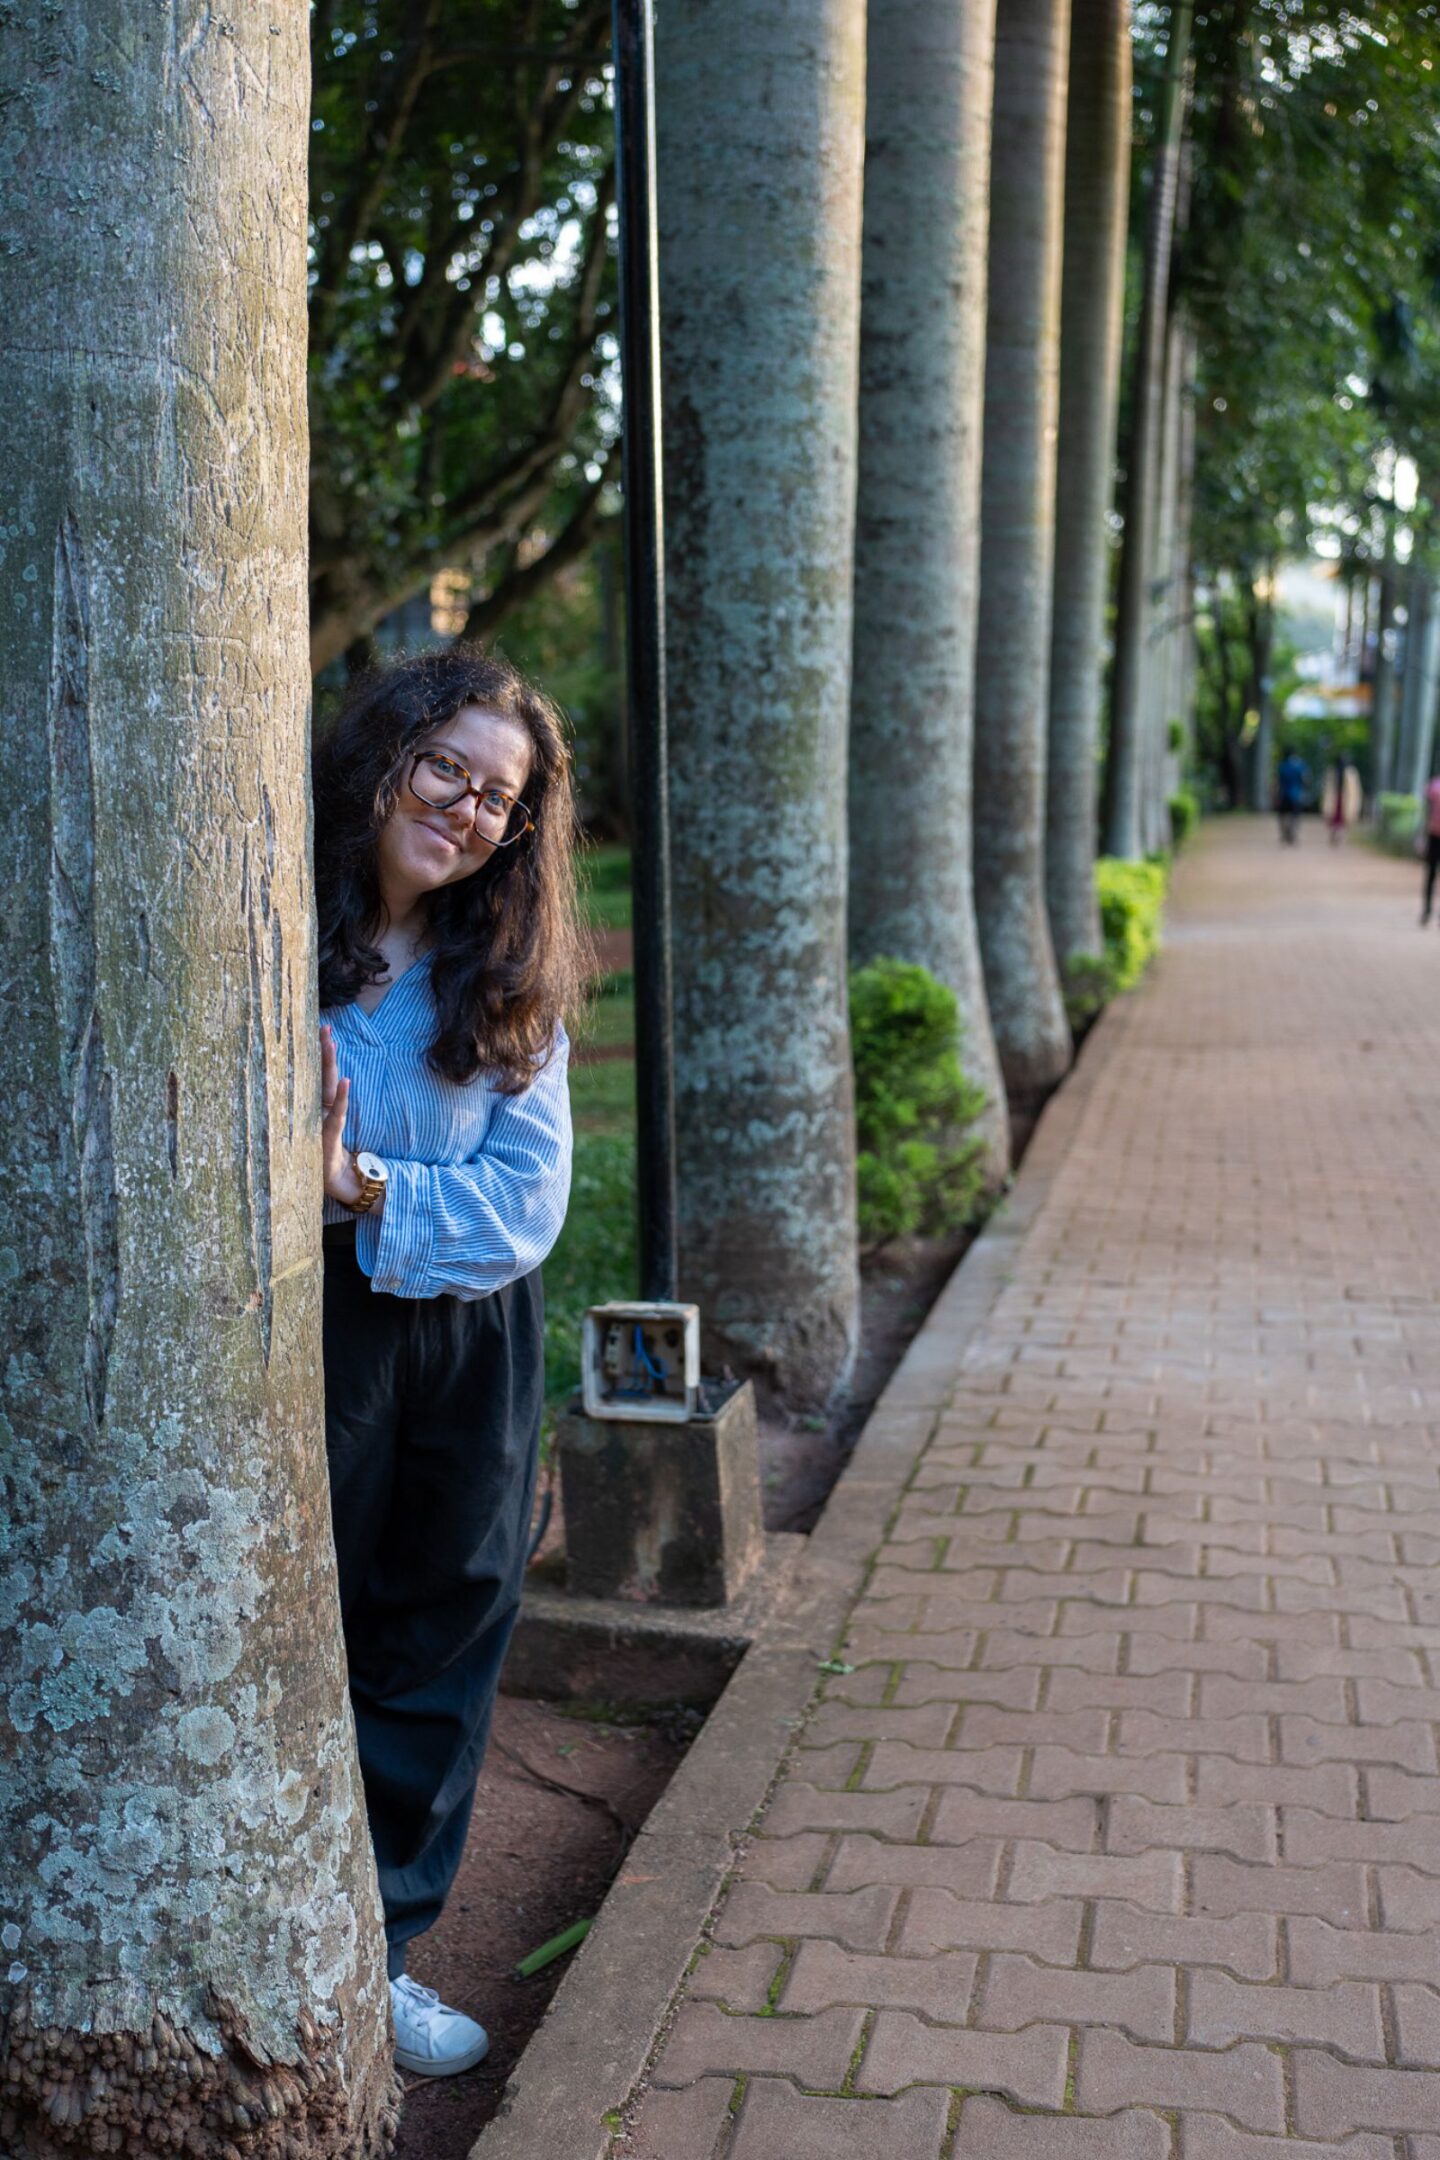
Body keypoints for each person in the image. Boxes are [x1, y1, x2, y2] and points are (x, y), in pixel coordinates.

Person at [314, 647, 582, 2077]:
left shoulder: (511, 968)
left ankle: (385, 1952)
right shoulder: (271, 913)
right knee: (311, 1622)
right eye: (449, 771)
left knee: (446, 1630)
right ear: (385, 753)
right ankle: (286, 1925)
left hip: (474, 1335)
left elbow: (526, 1208)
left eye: (503, 799)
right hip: (315, 1324)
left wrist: (354, 1181)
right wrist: (366, 1198)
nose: (472, 811)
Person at [1419, 769, 1440, 926]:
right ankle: (1427, 910)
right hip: (1434, 836)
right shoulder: (1434, 786)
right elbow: (1426, 811)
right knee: (1431, 875)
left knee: (1431, 875)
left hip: (1433, 835)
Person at [1275, 747, 1307, 844]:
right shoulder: (1300, 765)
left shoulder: (1282, 765)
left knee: (1282, 815)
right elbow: (1305, 780)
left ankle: (1285, 833)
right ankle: (1292, 833)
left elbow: (1278, 781)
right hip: (1296, 795)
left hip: (1283, 794)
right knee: (1295, 815)